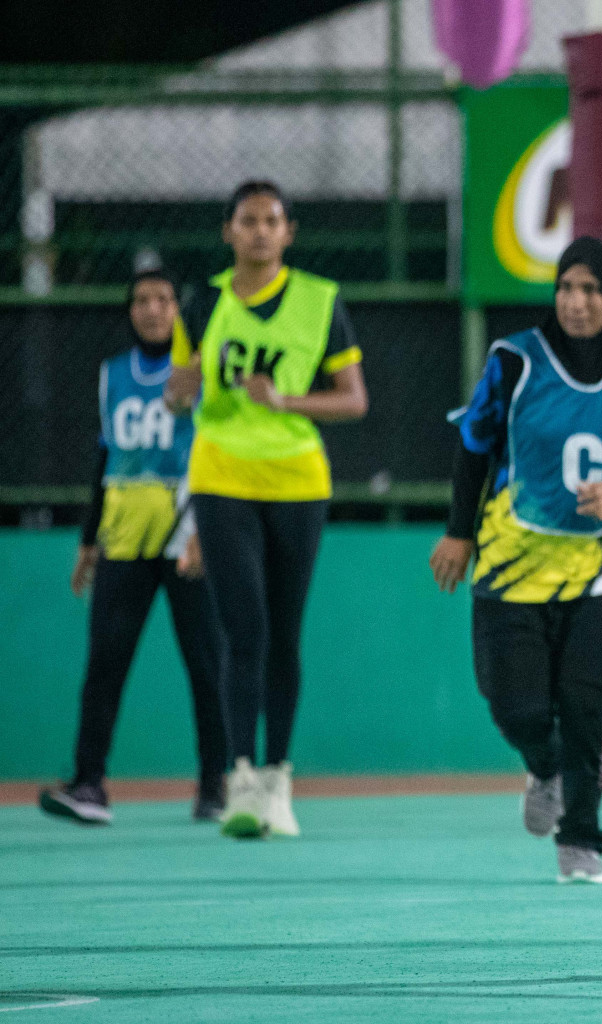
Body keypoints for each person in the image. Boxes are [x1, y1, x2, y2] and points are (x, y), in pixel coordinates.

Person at [429, 237, 602, 885]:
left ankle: (582, 841)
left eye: (592, 289)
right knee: (516, 707)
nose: (576, 301)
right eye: (566, 286)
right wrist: (458, 533)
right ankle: (543, 769)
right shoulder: (514, 362)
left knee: (588, 705)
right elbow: (474, 449)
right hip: (513, 560)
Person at [164, 180, 368, 840]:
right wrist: (180, 389)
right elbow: (175, 395)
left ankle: (279, 778)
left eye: (271, 221)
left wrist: (286, 402)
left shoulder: (319, 302)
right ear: (228, 231)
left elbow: (353, 400)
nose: (259, 230)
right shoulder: (201, 304)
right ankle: (241, 777)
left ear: (289, 232)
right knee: (243, 628)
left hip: (297, 480)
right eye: (247, 220)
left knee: (283, 630)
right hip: (222, 475)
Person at [39, 269, 228, 826]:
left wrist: (205, 530)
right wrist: (88, 538)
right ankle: (90, 785)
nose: (152, 309)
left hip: (186, 535)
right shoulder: (112, 375)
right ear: (129, 311)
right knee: (105, 665)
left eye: (164, 299)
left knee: (207, 666)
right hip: (123, 540)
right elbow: (104, 459)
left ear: (178, 309)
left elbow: (215, 450)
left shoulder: (198, 374)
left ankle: (215, 786)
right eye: (141, 300)